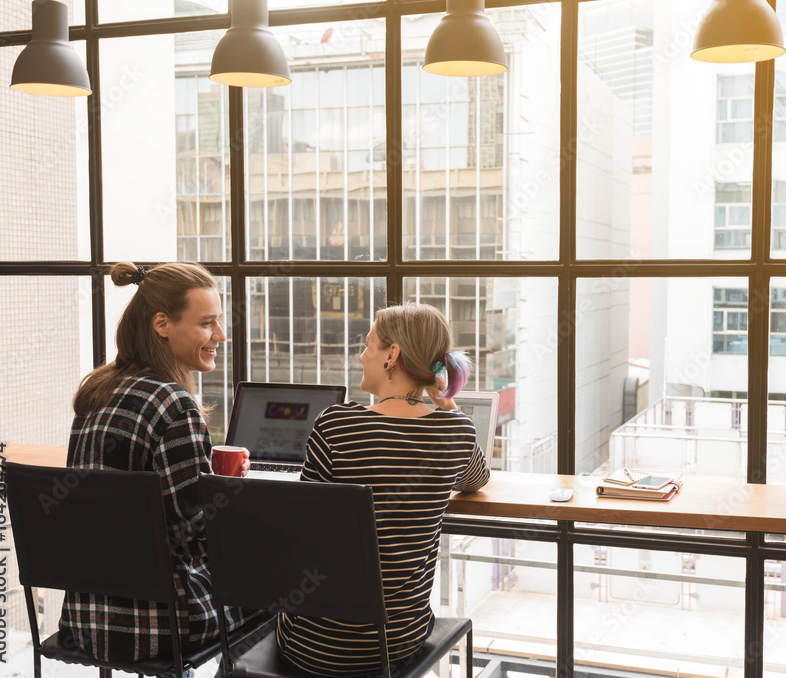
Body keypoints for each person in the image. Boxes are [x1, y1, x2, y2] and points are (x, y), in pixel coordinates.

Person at [275, 302, 491, 676]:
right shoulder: (456, 430)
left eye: (369, 344)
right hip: (397, 642)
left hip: (313, 646)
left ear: (392, 355)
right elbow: (476, 481)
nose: (361, 356)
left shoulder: (336, 424)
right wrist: (446, 403)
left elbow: (303, 527)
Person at [59, 261, 257, 665]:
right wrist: (230, 499)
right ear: (162, 324)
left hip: (86, 618)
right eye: (207, 323)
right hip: (162, 622)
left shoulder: (96, 391)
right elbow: (197, 538)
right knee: (279, 594)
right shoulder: (175, 406)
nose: (221, 334)